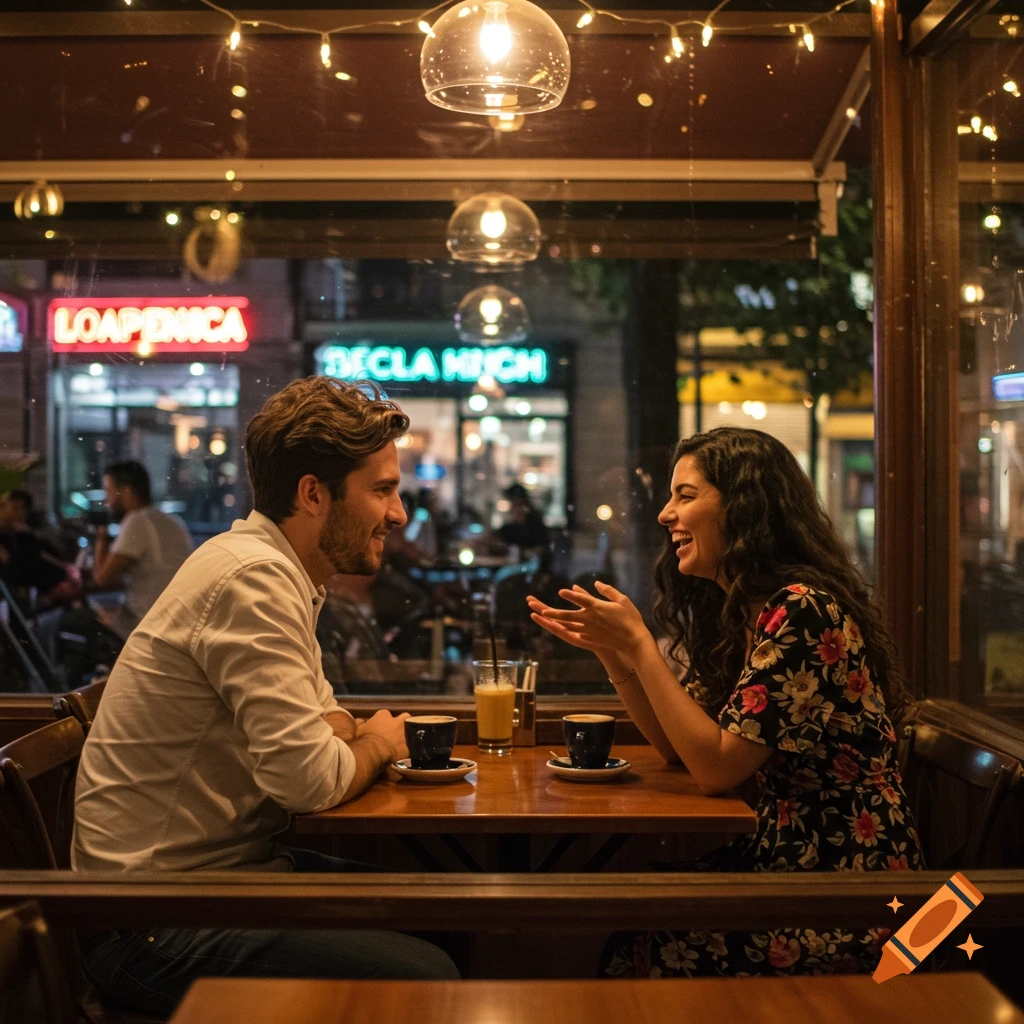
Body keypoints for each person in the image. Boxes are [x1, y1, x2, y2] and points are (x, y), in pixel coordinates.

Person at [73, 377, 459, 1016]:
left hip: (218, 882)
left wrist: (348, 740)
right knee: (431, 972)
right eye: (382, 490)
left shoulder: (276, 570)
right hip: (147, 923)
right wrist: (378, 741)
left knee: (447, 906)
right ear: (313, 493)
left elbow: (326, 713)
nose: (398, 513)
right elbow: (308, 779)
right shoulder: (252, 578)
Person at [527, 427, 922, 978]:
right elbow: (676, 748)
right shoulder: (747, 611)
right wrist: (615, 653)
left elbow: (714, 768)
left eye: (685, 496)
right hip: (790, 856)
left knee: (654, 935)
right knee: (635, 907)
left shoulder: (802, 611)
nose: (666, 514)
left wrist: (641, 643)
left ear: (745, 506)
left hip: (849, 885)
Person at [92, 461, 194, 640]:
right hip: (177, 619)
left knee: (68, 622)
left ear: (126, 491)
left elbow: (102, 579)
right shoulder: (172, 521)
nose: (106, 501)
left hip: (146, 621)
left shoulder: (137, 521)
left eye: (109, 491)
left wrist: (102, 534)